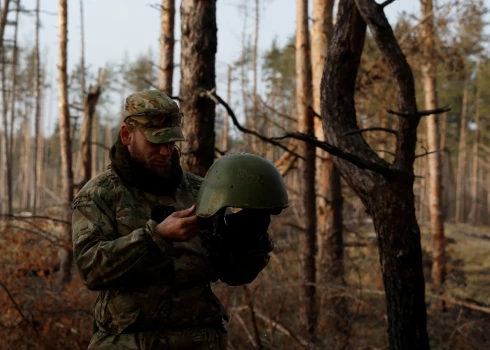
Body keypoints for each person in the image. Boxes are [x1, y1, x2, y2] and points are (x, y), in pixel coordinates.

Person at [72, 90, 276, 349]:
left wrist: (250, 238)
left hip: (199, 340)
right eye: (155, 142)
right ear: (127, 135)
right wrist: (155, 237)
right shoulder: (99, 195)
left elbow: (234, 274)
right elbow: (92, 270)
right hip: (129, 341)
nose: (165, 152)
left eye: (171, 142)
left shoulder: (200, 191)